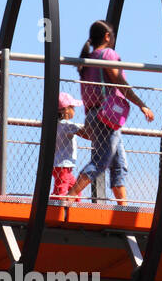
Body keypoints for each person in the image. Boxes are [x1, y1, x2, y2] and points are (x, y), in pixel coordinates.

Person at [67, 19, 154, 204]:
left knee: (118, 165)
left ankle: (123, 206)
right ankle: (69, 196)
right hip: (105, 117)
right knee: (100, 162)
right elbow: (119, 83)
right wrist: (141, 104)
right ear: (107, 36)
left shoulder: (87, 59)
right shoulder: (108, 55)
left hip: (93, 116)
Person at [52, 90, 86, 197]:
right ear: (66, 110)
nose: (74, 110)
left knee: (75, 191)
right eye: (73, 107)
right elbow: (85, 134)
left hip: (58, 165)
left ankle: (71, 210)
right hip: (64, 165)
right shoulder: (68, 125)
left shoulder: (55, 124)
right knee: (60, 191)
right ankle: (54, 209)